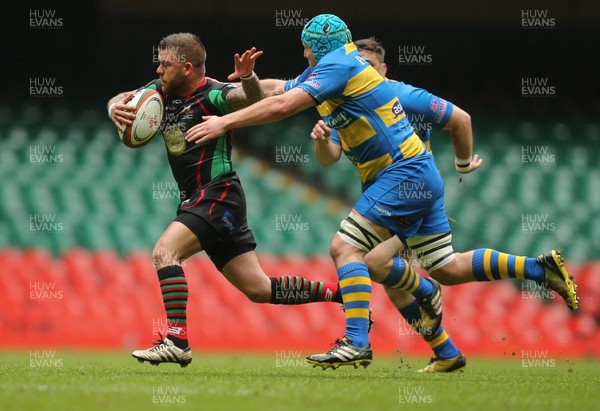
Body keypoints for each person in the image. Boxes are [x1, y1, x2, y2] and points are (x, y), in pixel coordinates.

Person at [185, 15, 579, 370]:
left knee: (346, 250)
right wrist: (247, 82)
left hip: (402, 174)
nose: (303, 52)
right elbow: (279, 89)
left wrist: (224, 121)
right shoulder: (339, 67)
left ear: (313, 47)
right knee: (445, 266)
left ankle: (357, 341)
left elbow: (284, 105)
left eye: (305, 46)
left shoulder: (339, 68)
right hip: (414, 175)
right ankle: (537, 269)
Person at [107, 32, 353, 368]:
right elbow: (124, 96)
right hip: (199, 198)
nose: (159, 70)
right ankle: (346, 294)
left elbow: (248, 99)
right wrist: (113, 108)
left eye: (165, 64)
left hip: (218, 193)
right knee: (259, 289)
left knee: (165, 252)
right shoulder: (160, 91)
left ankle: (177, 340)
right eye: (159, 63)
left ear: (187, 68)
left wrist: (249, 77)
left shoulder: (214, 94)